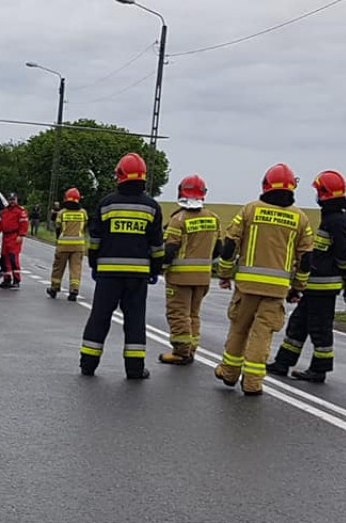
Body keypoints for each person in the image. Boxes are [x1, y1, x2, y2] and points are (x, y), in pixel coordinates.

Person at [214, 163, 314, 396]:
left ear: (266, 185)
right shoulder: (300, 219)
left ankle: (229, 372)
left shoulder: (249, 210)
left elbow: (230, 245)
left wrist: (225, 274)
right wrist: (297, 287)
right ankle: (252, 383)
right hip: (276, 290)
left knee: (239, 329)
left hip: (246, 287)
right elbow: (306, 258)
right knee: (262, 335)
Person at [79, 153, 164, 379]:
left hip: (108, 274)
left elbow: (95, 240)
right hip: (138, 276)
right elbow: (157, 245)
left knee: (99, 317)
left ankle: (88, 364)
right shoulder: (151, 207)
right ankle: (135, 369)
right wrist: (155, 269)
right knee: (135, 320)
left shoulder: (107, 204)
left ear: (120, 175)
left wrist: (94, 264)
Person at [266, 170, 346, 382]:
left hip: (324, 287)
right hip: (314, 285)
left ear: (324, 193)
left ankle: (319, 370)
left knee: (320, 329)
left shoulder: (337, 221)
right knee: (298, 324)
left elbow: (342, 253)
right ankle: (282, 363)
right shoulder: (331, 218)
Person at [158, 175, 222, 365]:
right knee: (193, 315)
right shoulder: (213, 218)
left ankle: (181, 352)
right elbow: (218, 249)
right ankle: (191, 348)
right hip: (203, 278)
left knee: (178, 314)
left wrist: (160, 268)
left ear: (180, 192)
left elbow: (170, 250)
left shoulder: (178, 219)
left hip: (180, 278)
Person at [47, 187, 87, 301]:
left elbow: (58, 227)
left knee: (58, 267)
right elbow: (85, 226)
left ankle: (54, 288)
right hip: (78, 245)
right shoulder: (83, 213)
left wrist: (58, 240)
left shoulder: (62, 213)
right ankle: (74, 289)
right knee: (76, 268)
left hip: (63, 245)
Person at [0, 193, 30, 289]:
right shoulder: (4, 211)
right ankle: (7, 279)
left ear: (16, 200)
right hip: (5, 237)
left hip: (14, 236)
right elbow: (0, 224)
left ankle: (16, 280)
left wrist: (21, 235)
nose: (12, 201)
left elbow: (24, 224)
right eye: (10, 199)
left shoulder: (20, 211)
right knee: (4, 259)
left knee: (13, 259)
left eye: (13, 199)